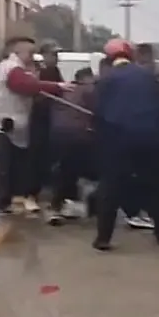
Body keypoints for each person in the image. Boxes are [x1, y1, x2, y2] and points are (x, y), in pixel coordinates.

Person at [0, 37, 67, 231]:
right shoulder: (10, 67)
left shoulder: (25, 70)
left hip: (17, 130)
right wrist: (57, 87)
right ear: (18, 52)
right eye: (30, 53)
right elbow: (23, 85)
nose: (33, 57)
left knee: (15, 169)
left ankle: (3, 203)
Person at [92, 38, 159, 251]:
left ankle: (103, 238)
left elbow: (98, 114)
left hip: (117, 140)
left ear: (109, 59)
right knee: (156, 186)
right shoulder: (148, 77)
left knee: (110, 187)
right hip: (150, 139)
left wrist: (102, 140)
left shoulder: (106, 81)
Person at [47, 67, 97, 226]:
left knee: (64, 170)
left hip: (57, 134)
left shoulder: (64, 90)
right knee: (84, 170)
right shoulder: (88, 90)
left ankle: (58, 206)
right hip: (78, 135)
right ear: (86, 78)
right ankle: (76, 203)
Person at [25, 41, 64, 213]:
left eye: (56, 55)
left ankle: (52, 198)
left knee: (50, 160)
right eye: (52, 54)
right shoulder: (38, 71)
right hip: (37, 119)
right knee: (35, 158)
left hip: (53, 120)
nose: (55, 58)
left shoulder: (55, 71)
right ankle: (30, 195)